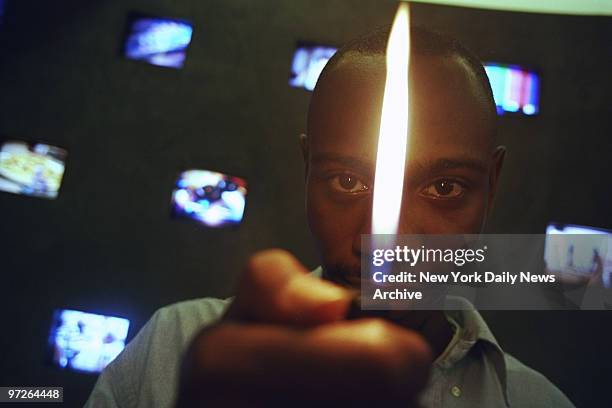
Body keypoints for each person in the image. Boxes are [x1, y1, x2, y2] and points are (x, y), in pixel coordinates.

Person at [86, 26, 574, 407]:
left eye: (444, 188)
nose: (385, 242)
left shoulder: (540, 403)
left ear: (492, 185)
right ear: (307, 171)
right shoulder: (173, 350)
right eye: (347, 181)